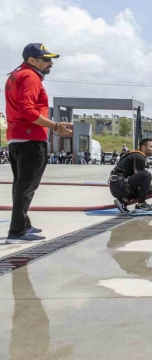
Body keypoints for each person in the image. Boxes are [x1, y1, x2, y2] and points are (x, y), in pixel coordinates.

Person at [4, 43, 72, 243]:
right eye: (46, 59)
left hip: (16, 137)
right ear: (32, 60)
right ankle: (16, 233)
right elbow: (28, 110)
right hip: (30, 138)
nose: (50, 63)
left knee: (20, 185)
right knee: (26, 187)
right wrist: (55, 126)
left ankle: (23, 225)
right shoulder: (30, 77)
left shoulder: (16, 75)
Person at [109, 138, 152, 214]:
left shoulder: (136, 155)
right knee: (146, 174)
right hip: (119, 186)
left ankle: (122, 201)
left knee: (149, 190)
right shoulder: (139, 157)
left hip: (117, 186)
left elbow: (142, 182)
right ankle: (141, 205)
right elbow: (143, 178)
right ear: (143, 147)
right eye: (151, 147)